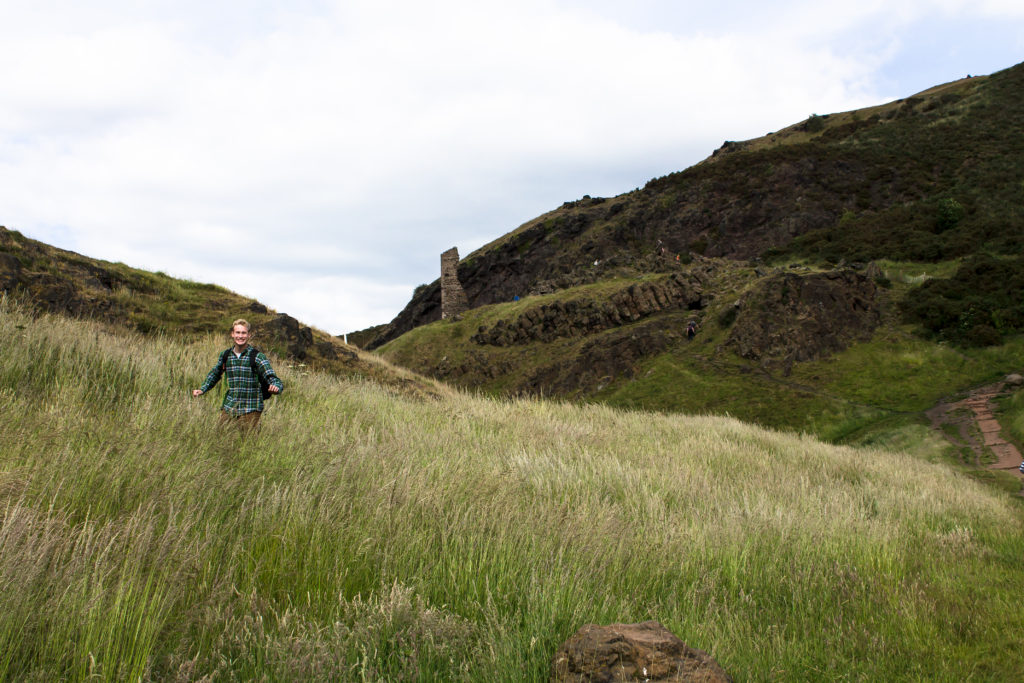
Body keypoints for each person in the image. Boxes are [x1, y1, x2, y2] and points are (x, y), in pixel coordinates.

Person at [192, 319, 283, 430]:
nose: (240, 336)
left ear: (249, 335)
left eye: (243, 333)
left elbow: (272, 377)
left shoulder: (257, 357)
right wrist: (202, 389)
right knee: (220, 437)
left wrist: (276, 387)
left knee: (248, 443)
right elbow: (215, 374)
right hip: (230, 406)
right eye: (238, 333)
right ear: (232, 334)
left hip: (251, 407)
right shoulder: (225, 355)